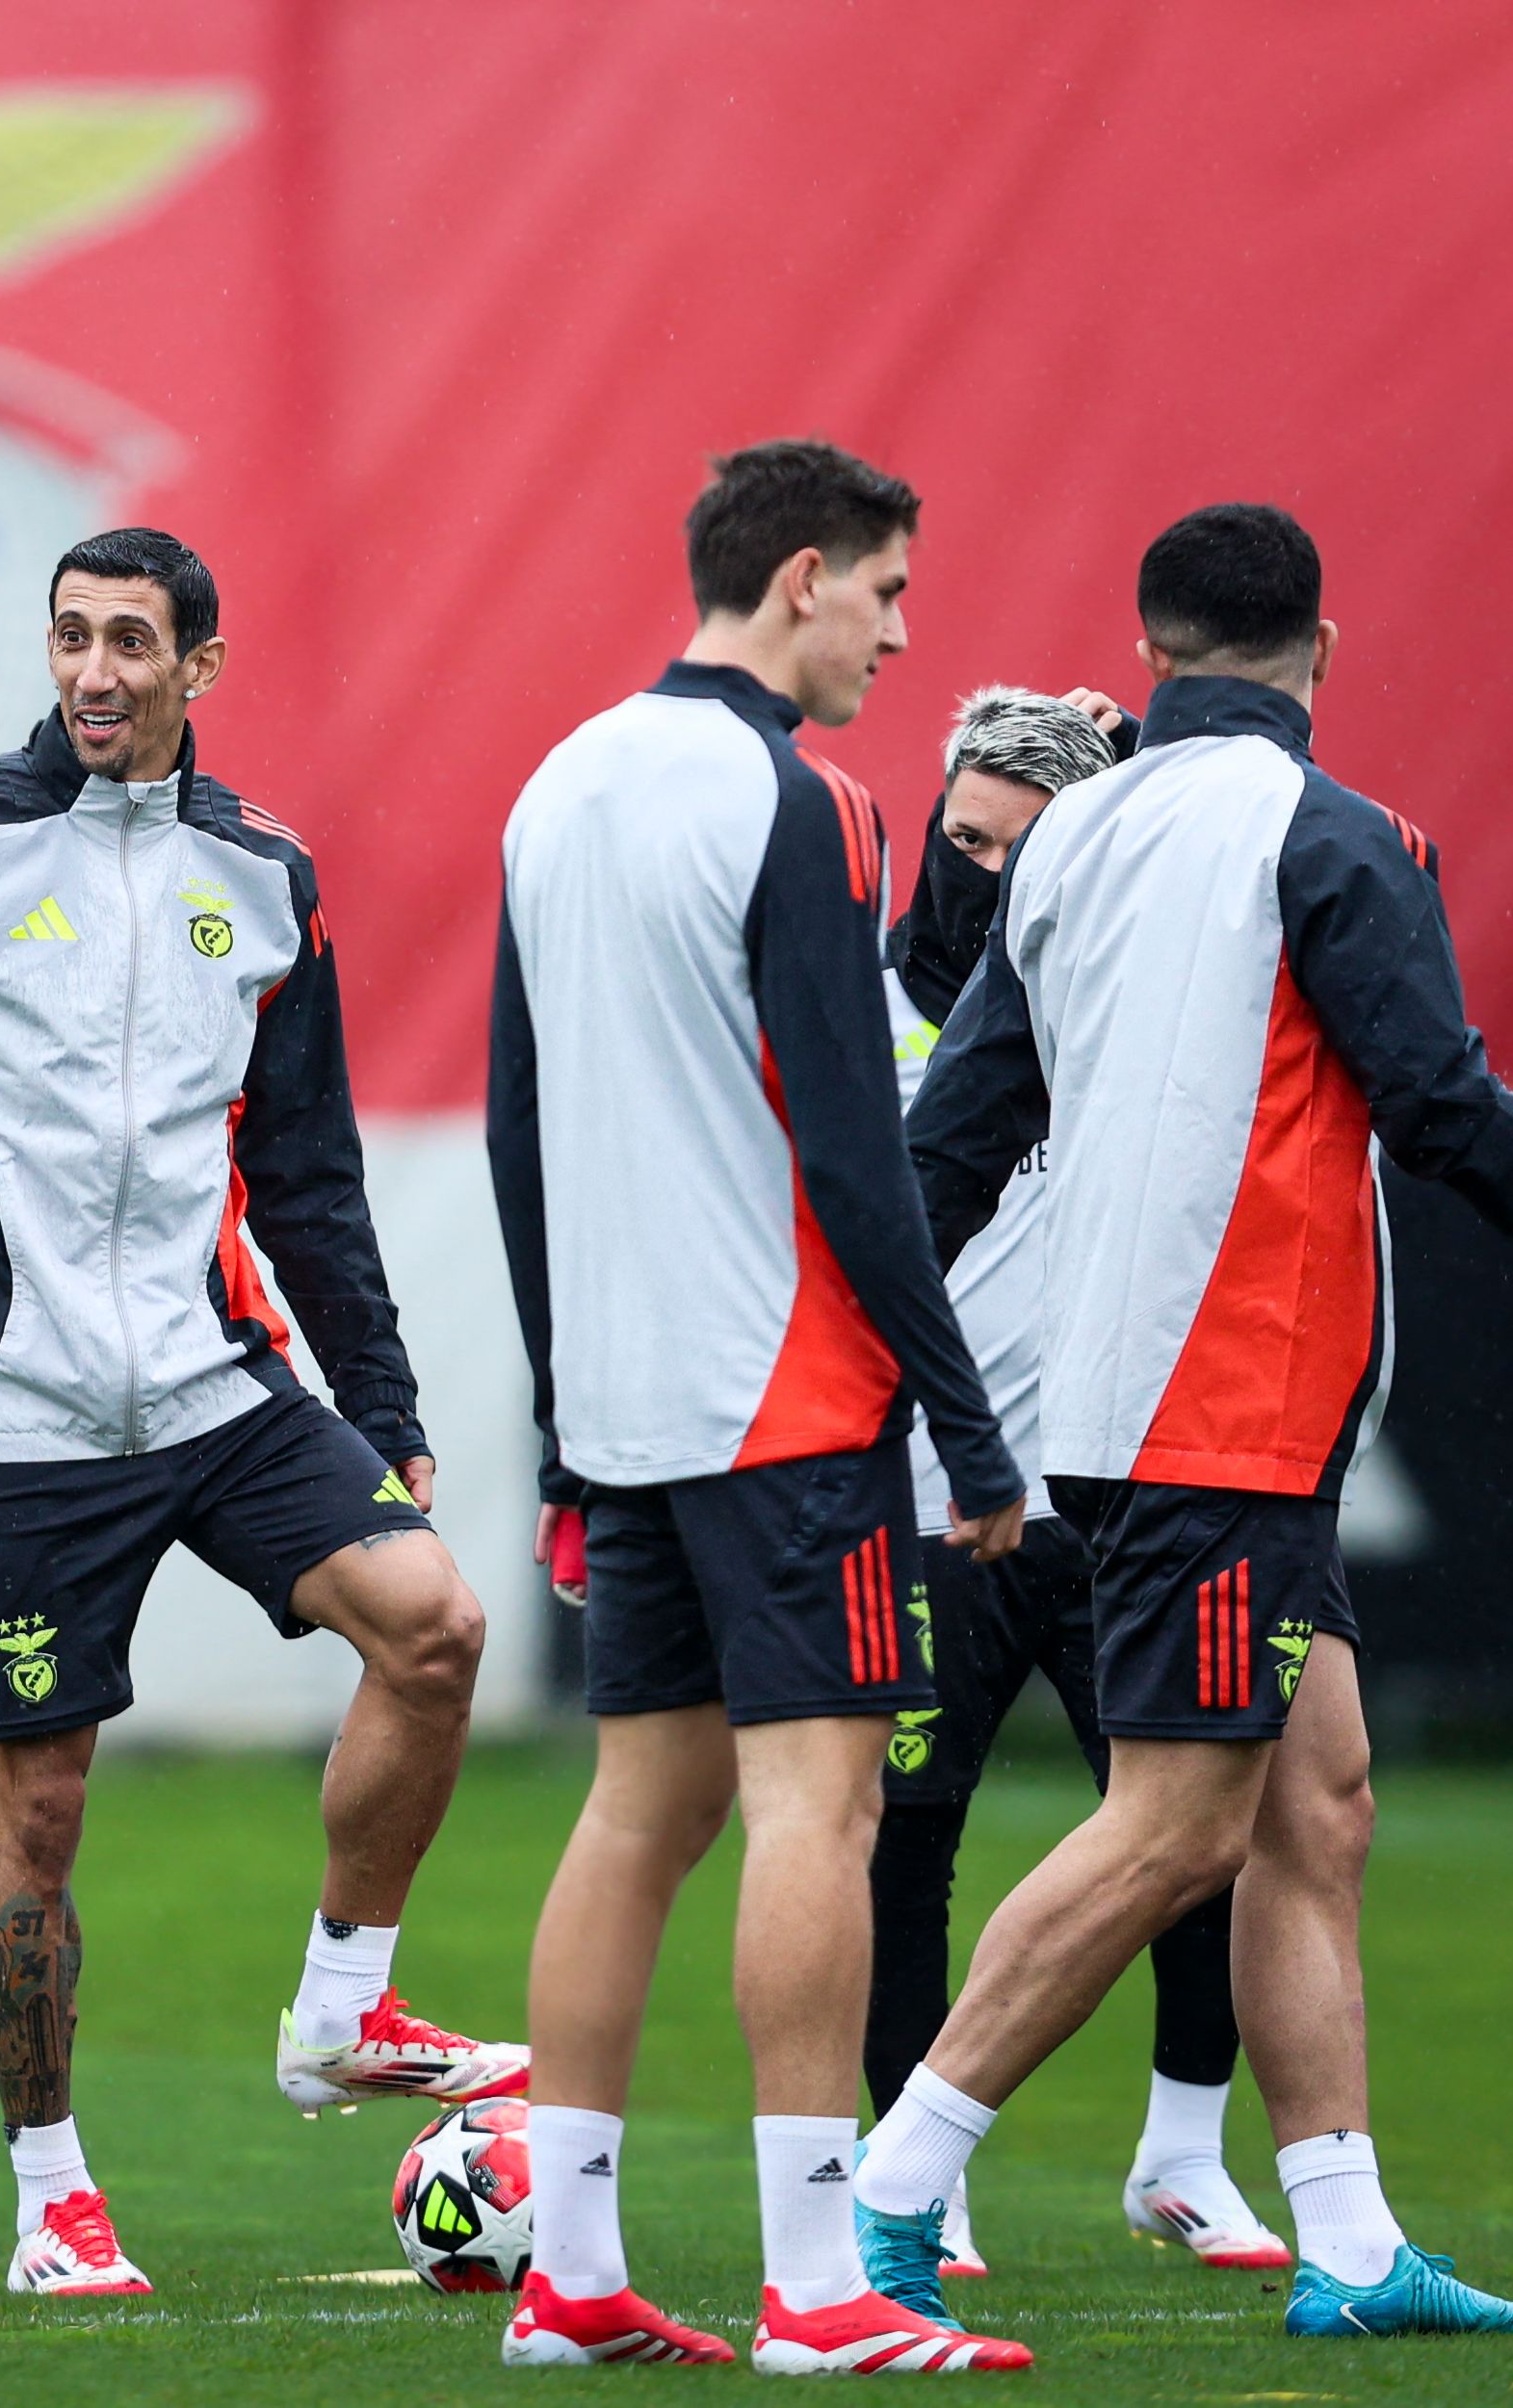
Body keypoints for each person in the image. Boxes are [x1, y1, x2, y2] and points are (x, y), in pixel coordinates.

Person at [870, 503, 1513, 2341]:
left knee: (1315, 1811)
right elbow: (1437, 1094)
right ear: (1320, 651)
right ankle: (895, 2180)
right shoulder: (1337, 836)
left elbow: (958, 1131)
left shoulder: (1071, 832)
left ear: (1151, 651)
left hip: (1140, 1406)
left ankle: (1344, 2241)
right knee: (1176, 1827)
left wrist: (860, 1352)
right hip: (1227, 1405)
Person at [0, 527, 520, 2299]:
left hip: (216, 1379)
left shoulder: (264, 872)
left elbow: (310, 1174)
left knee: (439, 1625)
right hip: (18, 1415)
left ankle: (340, 2013)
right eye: (70, 638)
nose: (93, 671)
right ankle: (52, 2195)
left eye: (130, 642)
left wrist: (384, 1401)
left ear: (202, 664)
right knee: (38, 1819)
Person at [486, 441, 1034, 2375]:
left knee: (638, 1812)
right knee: (821, 1806)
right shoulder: (779, 799)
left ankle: (565, 2273)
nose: (900, 634)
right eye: (887, 593)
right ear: (800, 578)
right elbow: (859, 1154)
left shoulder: (556, 785)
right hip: (786, 1394)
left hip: (632, 1400)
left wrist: (563, 1409)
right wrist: (966, 1431)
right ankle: (818, 2287)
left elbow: (514, 1133)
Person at [865, 686, 1290, 2281]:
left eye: (1010, 846)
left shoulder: (1128, 1002)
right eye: (955, 838)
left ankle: (1184, 2152)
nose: (970, 873)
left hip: (1115, 1488)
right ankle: (924, 2171)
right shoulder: (854, 1005)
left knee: (1193, 1828)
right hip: (915, 1500)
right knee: (906, 1843)